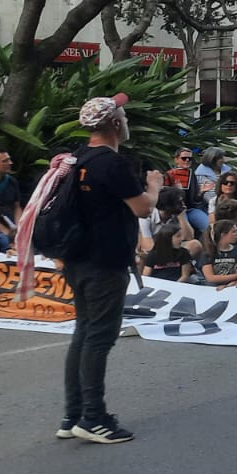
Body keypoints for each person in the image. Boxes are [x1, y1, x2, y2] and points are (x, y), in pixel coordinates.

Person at [57, 95, 162, 445]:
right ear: (115, 124)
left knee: (84, 334)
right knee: (99, 339)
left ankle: (73, 414)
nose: (127, 119)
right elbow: (143, 209)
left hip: (77, 259)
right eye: (124, 115)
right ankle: (93, 417)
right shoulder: (111, 164)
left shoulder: (77, 158)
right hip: (105, 263)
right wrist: (155, 187)